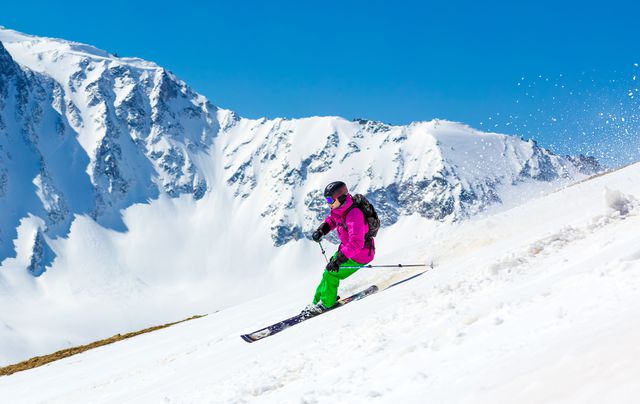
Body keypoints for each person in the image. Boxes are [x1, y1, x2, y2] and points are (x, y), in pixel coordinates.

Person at [305, 181, 375, 314]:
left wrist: (338, 260)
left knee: (332, 273)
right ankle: (316, 302)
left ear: (341, 197)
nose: (328, 203)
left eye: (330, 199)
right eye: (327, 200)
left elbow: (356, 243)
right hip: (347, 250)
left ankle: (326, 303)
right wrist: (322, 230)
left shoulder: (354, 215)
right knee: (328, 272)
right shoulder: (339, 209)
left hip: (360, 254)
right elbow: (332, 220)